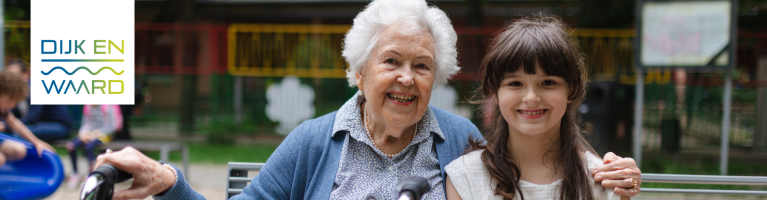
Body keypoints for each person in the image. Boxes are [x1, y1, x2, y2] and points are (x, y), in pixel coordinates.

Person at [95, 1, 642, 199]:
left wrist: (609, 170)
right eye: (391, 62)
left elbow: (538, 143)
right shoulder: (314, 140)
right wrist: (171, 184)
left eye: (422, 66)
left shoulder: (461, 142)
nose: (407, 78)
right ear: (358, 72)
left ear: (438, 78)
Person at [445, 16, 640, 200]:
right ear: (494, 92)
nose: (531, 98)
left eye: (548, 82)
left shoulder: (604, 180)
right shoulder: (465, 177)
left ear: (570, 90)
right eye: (515, 83)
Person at [3, 59, 73, 142]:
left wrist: (6, 126)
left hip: (58, 125)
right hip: (38, 124)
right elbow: (11, 114)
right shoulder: (15, 93)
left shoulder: (36, 88)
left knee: (18, 133)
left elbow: (33, 118)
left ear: (26, 74)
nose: (11, 80)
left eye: (14, 75)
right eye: (9, 76)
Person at [0, 71, 56, 162]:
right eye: (8, 101)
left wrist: (36, 142)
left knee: (20, 150)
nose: (11, 106)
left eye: (14, 103)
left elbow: (15, 123)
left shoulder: (4, 110)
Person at [65, 104, 122, 189]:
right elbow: (85, 123)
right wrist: (83, 133)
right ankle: (75, 173)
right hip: (89, 133)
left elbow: (112, 127)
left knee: (89, 147)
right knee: (71, 146)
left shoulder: (107, 107)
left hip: (103, 135)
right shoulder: (88, 107)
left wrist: (96, 134)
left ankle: (90, 175)